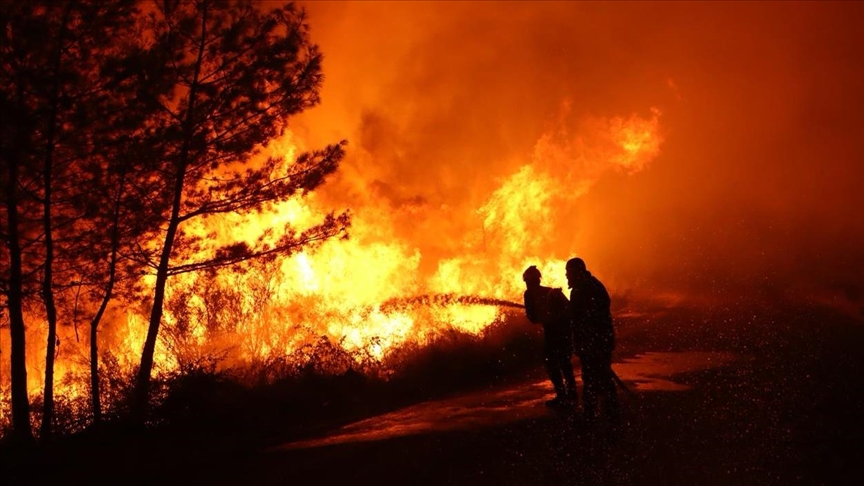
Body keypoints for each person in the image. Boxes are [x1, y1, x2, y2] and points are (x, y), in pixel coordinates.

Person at [566, 257, 619, 423]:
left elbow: (591, 317)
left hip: (596, 343)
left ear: (577, 272)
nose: (567, 277)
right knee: (596, 378)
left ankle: (598, 414)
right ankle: (606, 411)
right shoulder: (587, 287)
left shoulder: (588, 289)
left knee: (595, 378)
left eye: (569, 273)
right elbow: (577, 316)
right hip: (594, 343)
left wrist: (592, 342)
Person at [522, 265, 577, 407]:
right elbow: (533, 317)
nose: (529, 285)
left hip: (561, 332)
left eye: (530, 282)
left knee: (558, 363)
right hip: (554, 333)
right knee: (556, 363)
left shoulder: (552, 293)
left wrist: (553, 317)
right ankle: (567, 394)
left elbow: (570, 311)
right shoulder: (535, 294)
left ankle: (567, 395)